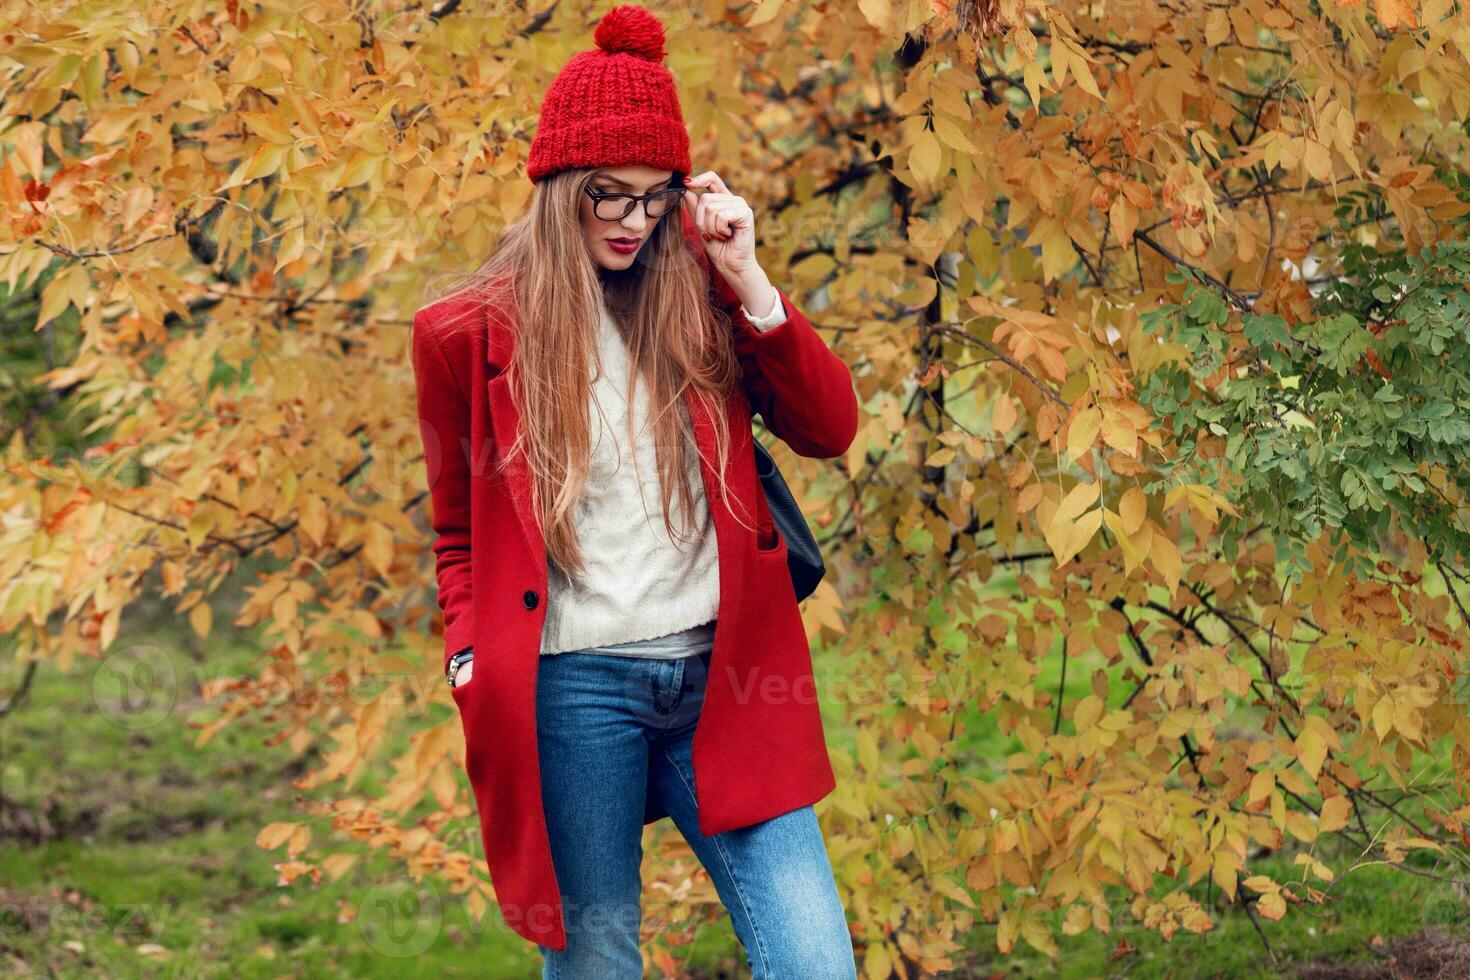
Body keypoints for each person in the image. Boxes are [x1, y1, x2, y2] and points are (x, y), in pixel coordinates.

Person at [409, 5, 861, 977]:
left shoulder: (699, 293)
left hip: (727, 675)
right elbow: (457, 533)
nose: (631, 220)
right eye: (606, 194)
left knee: (816, 959)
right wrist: (468, 660)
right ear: (557, 185)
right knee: (598, 958)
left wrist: (748, 276)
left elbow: (829, 428)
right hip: (575, 687)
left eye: (655, 197)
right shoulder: (465, 334)